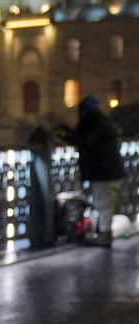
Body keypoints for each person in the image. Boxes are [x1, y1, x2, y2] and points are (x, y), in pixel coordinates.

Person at [64, 95, 125, 247]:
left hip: (102, 171)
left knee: (103, 203)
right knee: (106, 203)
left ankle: (104, 236)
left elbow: (84, 141)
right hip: (111, 170)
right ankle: (103, 233)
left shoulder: (92, 123)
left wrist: (65, 134)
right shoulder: (105, 122)